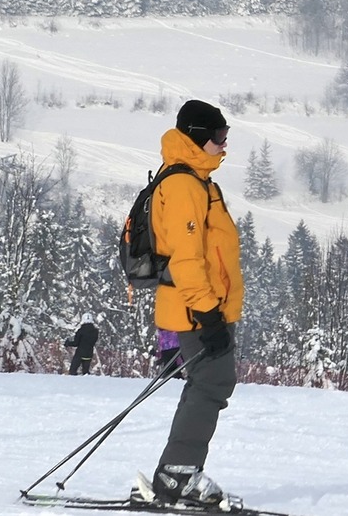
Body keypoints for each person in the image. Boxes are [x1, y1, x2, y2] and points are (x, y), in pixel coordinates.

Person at [137, 99, 242, 511]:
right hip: (197, 310)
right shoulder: (183, 185)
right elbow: (186, 257)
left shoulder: (196, 180)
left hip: (202, 307)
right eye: (218, 136)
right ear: (199, 136)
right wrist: (207, 313)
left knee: (207, 385)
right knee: (212, 385)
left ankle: (176, 473)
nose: (224, 144)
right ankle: (178, 475)